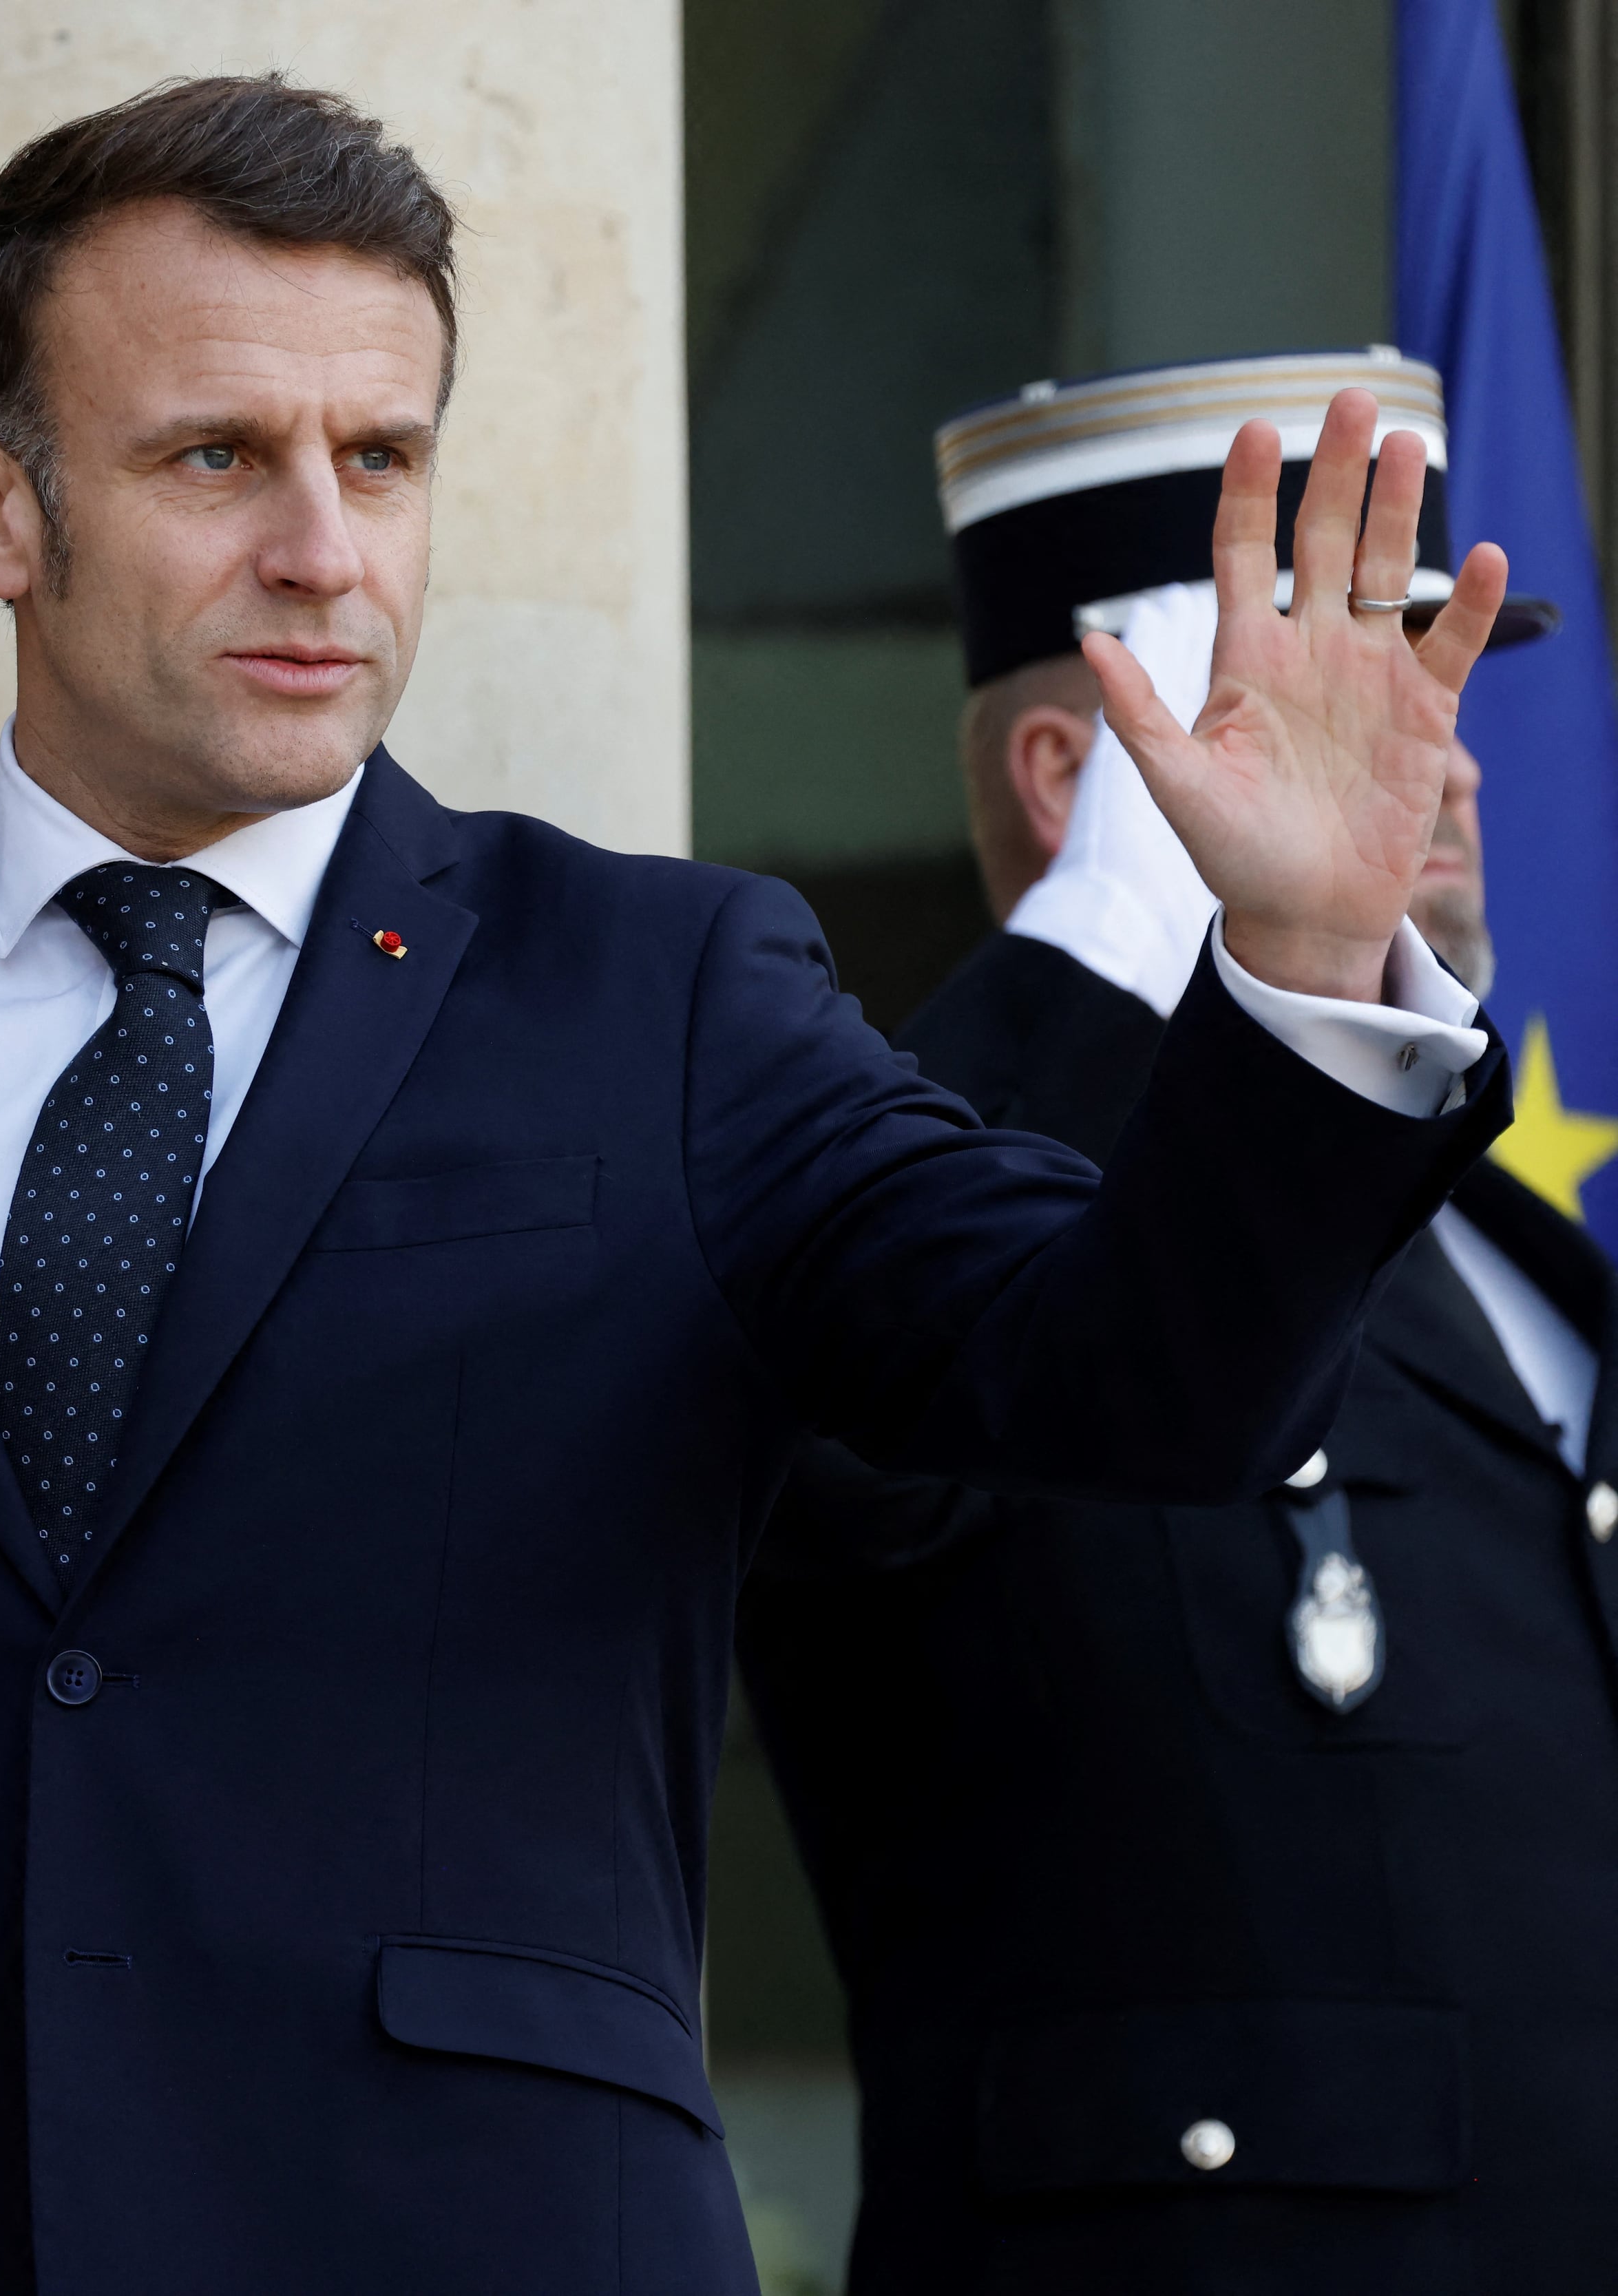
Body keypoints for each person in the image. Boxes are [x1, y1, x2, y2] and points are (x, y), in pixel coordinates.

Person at [0, 79, 1516, 2294]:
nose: (324, 549)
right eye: (218, 457)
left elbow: (1129, 1382)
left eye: (381, 458)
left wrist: (1304, 969)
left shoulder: (662, 990)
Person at [738, 351, 1613, 2293]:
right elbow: (864, 1446)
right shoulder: (908, 1181)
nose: (1452, 754)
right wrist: (1102, 948)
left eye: (1446, 677)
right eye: (1356, 676)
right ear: (1074, 773)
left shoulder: (1511, 1245)